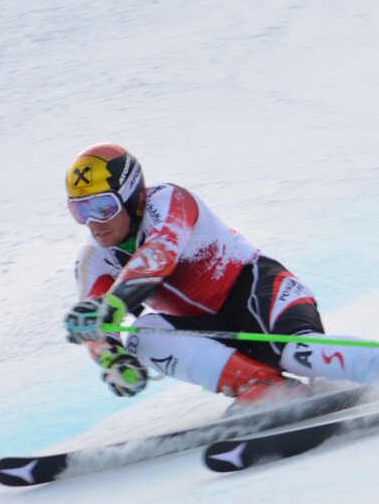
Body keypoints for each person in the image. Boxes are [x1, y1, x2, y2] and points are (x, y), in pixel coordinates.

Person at [64, 142, 379, 403]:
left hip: (258, 293)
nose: (93, 222)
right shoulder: (95, 258)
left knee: (296, 353)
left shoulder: (168, 201)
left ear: (133, 197)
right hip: (211, 332)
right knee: (144, 336)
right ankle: (266, 390)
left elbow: (157, 256)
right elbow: (97, 325)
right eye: (80, 210)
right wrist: (111, 359)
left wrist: (113, 305)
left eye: (103, 207)